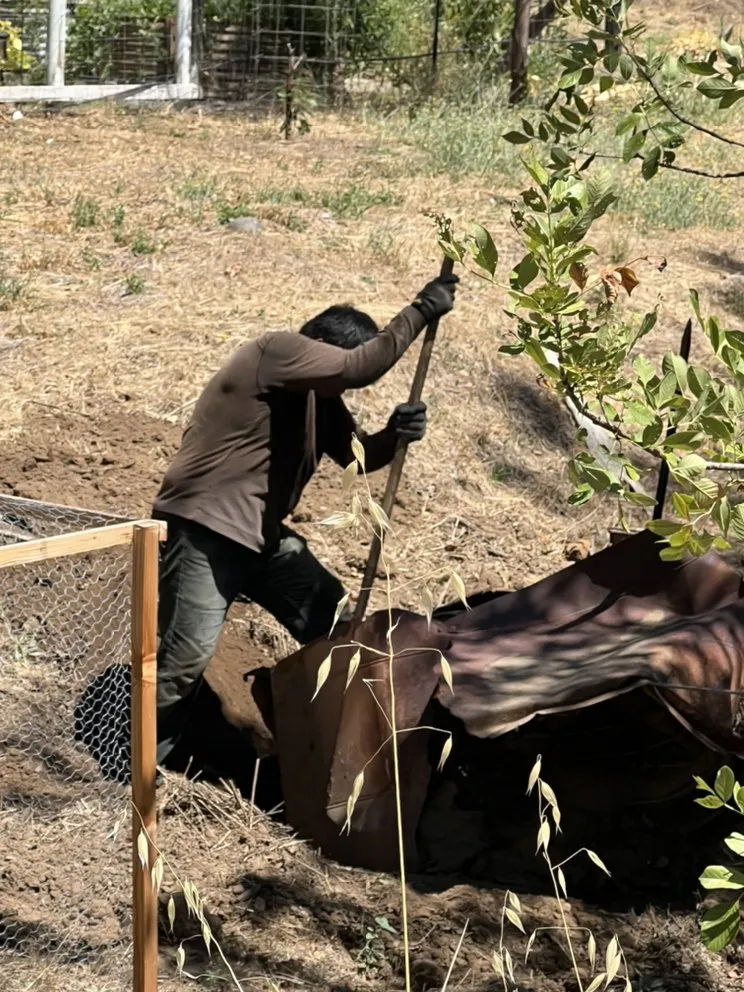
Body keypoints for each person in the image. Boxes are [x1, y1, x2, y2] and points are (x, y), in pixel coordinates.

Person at [151, 272, 459, 764]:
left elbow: (359, 457)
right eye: (333, 363)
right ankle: (136, 765)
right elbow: (362, 367)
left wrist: (394, 433)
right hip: (205, 530)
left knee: (332, 621)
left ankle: (341, 741)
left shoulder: (319, 398)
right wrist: (423, 307)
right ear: (315, 346)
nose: (336, 376)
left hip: (260, 539)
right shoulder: (277, 351)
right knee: (184, 660)